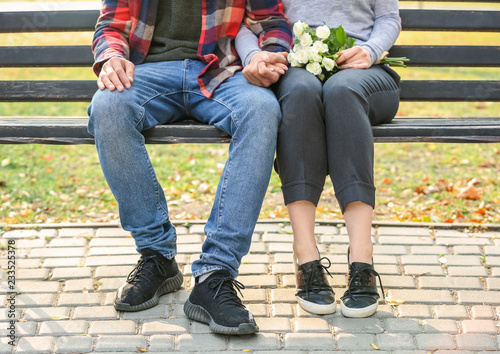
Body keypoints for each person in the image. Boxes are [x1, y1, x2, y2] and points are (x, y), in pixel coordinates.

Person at [87, 0, 292, 335]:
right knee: (108, 108)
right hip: (146, 71)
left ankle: (216, 272)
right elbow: (112, 25)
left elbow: (270, 20)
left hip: (221, 70)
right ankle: (157, 255)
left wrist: (268, 54)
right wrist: (111, 56)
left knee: (261, 110)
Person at [236, 0, 401, 317]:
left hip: (365, 72)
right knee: (298, 93)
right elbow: (244, 23)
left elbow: (389, 18)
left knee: (342, 90)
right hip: (296, 68)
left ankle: (362, 260)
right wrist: (254, 56)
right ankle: (306, 255)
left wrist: (370, 50)